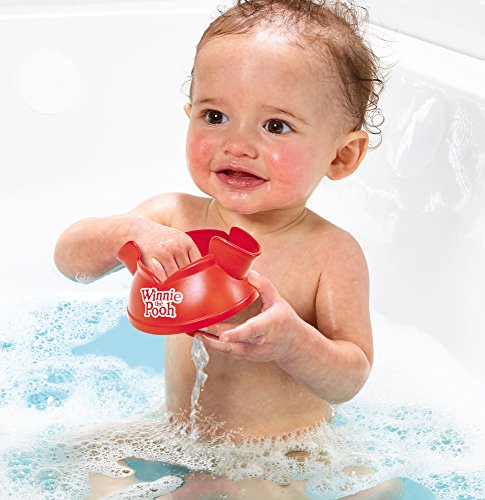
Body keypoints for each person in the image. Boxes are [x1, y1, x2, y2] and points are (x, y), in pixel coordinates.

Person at [55, 0, 400, 497]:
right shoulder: (171, 215)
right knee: (80, 448)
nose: (236, 144)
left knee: (245, 492)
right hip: (179, 436)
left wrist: (294, 343)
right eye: (214, 116)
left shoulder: (331, 252)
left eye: (275, 125)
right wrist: (126, 233)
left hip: (282, 454)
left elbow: (349, 378)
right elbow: (69, 262)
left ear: (341, 155)